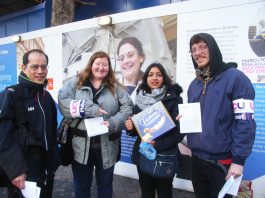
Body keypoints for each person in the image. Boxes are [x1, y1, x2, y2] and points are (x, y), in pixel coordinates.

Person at [186, 33, 256, 198]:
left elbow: (245, 123)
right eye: (193, 49)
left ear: (213, 48)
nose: (197, 53)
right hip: (197, 160)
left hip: (222, 163)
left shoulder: (236, 78)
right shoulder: (194, 84)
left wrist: (238, 161)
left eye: (203, 46)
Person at [58, 51, 133, 198]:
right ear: (91, 65)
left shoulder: (116, 87)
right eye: (98, 63)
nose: (101, 67)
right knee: (81, 186)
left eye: (105, 64)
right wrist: (89, 109)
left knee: (105, 186)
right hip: (80, 147)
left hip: (107, 146)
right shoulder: (76, 82)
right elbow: (63, 100)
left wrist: (112, 123)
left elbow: (128, 108)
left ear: (109, 67)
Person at [0, 49, 60, 197]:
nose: (40, 71)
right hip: (23, 172)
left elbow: (52, 132)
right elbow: (3, 138)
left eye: (44, 66)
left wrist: (54, 160)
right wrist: (16, 171)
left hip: (45, 169)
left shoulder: (46, 97)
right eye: (34, 67)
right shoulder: (11, 95)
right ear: (24, 68)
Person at [125, 63, 184, 198]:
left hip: (164, 156)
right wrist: (130, 128)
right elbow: (137, 130)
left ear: (164, 78)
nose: (154, 78)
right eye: (150, 75)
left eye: (159, 74)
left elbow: (179, 133)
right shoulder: (140, 98)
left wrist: (157, 144)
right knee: (147, 193)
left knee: (165, 193)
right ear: (146, 78)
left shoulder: (174, 99)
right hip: (143, 154)